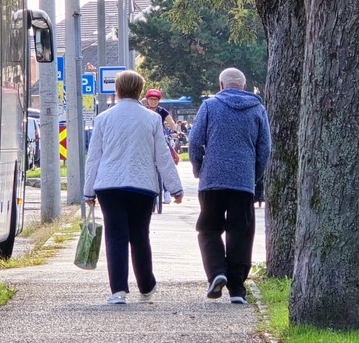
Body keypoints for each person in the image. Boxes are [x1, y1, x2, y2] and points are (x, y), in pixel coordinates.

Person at [84, 70, 184, 305]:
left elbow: (94, 158)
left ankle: (118, 290)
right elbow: (162, 155)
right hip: (142, 186)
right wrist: (175, 188)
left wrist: (88, 191)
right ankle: (146, 285)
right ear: (140, 91)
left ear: (117, 90)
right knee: (140, 235)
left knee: (115, 236)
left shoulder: (103, 119)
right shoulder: (152, 119)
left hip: (109, 186)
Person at [189, 67, 271, 304]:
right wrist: (254, 176)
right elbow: (264, 149)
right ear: (244, 87)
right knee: (241, 233)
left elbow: (195, 141)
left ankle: (217, 272)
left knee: (208, 228)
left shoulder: (209, 106)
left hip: (212, 180)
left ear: (221, 85)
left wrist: (198, 168)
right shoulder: (257, 109)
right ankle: (237, 288)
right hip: (243, 182)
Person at [145, 88, 177, 203]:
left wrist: (174, 132)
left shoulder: (162, 111)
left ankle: (167, 191)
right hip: (146, 139)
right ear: (147, 100)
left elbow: (171, 123)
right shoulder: (143, 110)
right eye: (151, 99)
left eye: (155, 99)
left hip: (161, 138)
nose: (153, 102)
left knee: (166, 162)